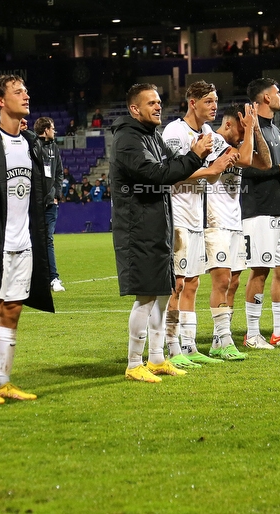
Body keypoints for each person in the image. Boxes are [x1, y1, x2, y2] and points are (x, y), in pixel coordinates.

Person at [110, 83, 211, 383]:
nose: (158, 107)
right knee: (145, 296)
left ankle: (156, 359)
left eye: (159, 101)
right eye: (151, 102)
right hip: (137, 228)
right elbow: (157, 175)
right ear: (134, 109)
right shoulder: (128, 140)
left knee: (162, 292)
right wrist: (194, 156)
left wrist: (196, 157)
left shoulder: (151, 134)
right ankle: (133, 363)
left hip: (158, 224)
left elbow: (172, 166)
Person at [0, 75, 55, 403]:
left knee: (14, 309)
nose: (26, 96)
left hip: (24, 241)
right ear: (1, 100)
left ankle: (3, 380)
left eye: (26, 91)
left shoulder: (31, 141)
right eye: (18, 92)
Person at [161, 81, 238, 368]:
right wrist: (209, 167)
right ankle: (171, 347)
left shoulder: (208, 133)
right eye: (208, 101)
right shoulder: (175, 132)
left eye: (215, 101)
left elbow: (214, 176)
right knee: (177, 285)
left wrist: (217, 167)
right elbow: (172, 173)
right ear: (192, 102)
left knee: (191, 282)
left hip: (197, 217)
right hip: (178, 216)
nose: (214, 106)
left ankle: (189, 346)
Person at [240, 78, 280, 349]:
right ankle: (252, 334)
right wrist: (278, 170)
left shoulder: (275, 130)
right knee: (260, 270)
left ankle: (279, 331)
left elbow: (273, 167)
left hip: (279, 207)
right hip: (258, 210)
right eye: (277, 92)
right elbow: (245, 168)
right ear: (265, 97)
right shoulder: (251, 127)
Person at [204, 103, 270, 361]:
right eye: (241, 130)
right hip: (215, 220)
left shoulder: (241, 141)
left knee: (233, 282)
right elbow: (243, 159)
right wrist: (251, 129)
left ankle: (218, 340)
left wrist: (255, 131)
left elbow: (264, 162)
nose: (245, 136)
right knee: (221, 281)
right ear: (229, 124)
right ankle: (225, 340)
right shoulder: (215, 141)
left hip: (234, 222)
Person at [33, 117, 66, 293]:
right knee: (31, 242)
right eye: (52, 129)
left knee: (48, 240)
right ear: (45, 130)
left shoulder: (54, 148)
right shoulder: (32, 146)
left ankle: (53, 278)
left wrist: (56, 194)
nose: (54, 131)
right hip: (34, 204)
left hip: (50, 204)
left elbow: (59, 173)